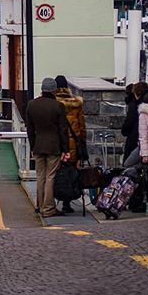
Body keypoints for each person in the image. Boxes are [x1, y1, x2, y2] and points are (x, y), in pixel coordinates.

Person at [26, 77, 70, 217]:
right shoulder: (58, 106)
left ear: (42, 89)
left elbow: (30, 129)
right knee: (50, 177)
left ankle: (40, 205)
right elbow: (63, 130)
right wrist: (66, 149)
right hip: (53, 146)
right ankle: (49, 208)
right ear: (54, 90)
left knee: (40, 177)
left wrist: (33, 146)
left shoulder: (31, 105)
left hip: (38, 145)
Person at [54, 75, 87, 214]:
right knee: (71, 174)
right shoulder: (76, 104)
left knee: (56, 173)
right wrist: (82, 143)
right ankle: (67, 203)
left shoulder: (53, 103)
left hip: (58, 144)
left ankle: (55, 199)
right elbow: (82, 126)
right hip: (73, 143)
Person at [121, 81, 148, 161]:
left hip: (135, 136)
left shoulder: (134, 104)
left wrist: (124, 130)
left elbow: (130, 120)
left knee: (129, 163)